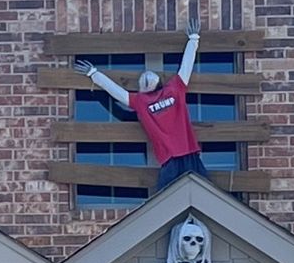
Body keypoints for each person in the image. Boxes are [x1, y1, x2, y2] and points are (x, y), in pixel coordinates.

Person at [73, 12, 206, 191]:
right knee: (166, 205)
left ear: (158, 82)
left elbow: (186, 67)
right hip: (171, 159)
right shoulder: (141, 100)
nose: (146, 76)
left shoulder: (173, 89)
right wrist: (94, 74)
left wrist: (193, 40)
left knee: (204, 195)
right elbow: (117, 93)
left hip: (188, 153)